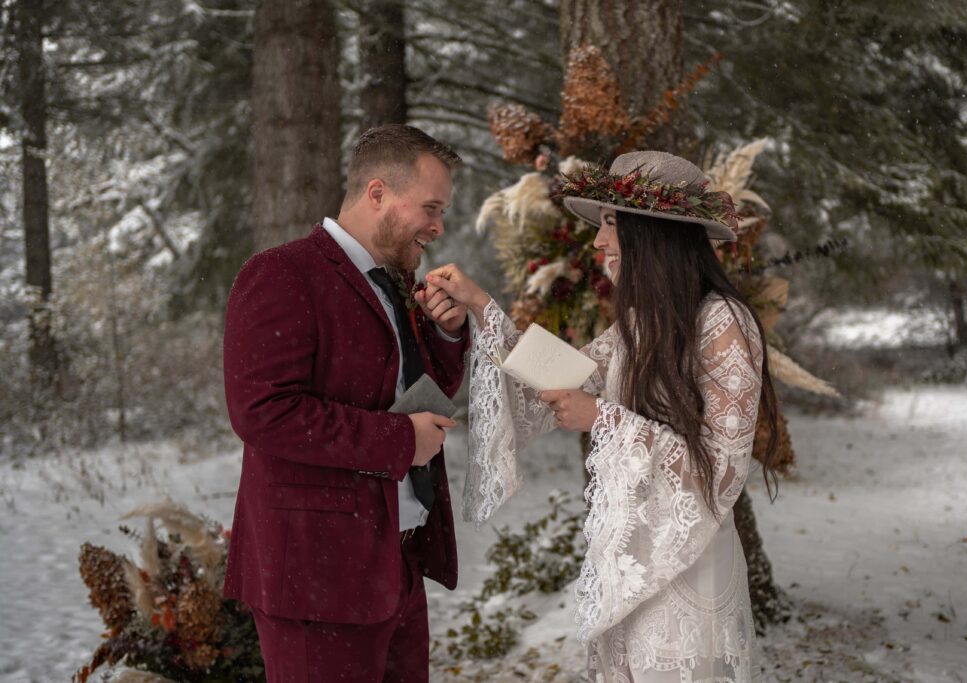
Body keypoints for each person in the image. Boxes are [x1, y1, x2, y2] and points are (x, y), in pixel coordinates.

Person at [428, 151, 780, 682]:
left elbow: (722, 469)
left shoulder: (722, 323)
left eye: (612, 224)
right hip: (630, 563)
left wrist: (605, 420)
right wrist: (481, 305)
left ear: (651, 233)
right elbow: (562, 376)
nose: (597, 241)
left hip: (688, 568)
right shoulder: (641, 324)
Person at [221, 124, 471, 682]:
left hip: (396, 562)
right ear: (377, 192)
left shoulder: (397, 279)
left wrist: (447, 336)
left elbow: (418, 392)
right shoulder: (281, 273)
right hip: (317, 578)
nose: (439, 226)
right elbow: (262, 411)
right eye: (430, 207)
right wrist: (402, 441)